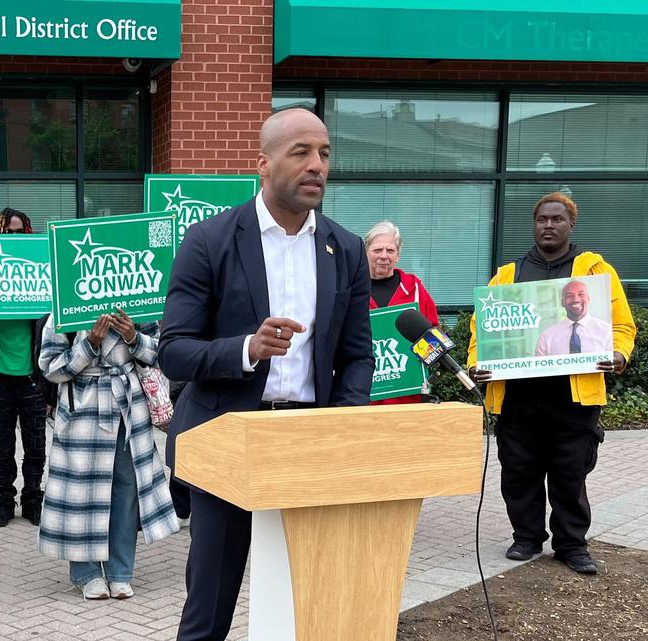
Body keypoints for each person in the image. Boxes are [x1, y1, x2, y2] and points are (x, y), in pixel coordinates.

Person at [158, 108, 374, 641]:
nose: (317, 165)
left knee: (310, 599)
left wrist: (341, 425)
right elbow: (174, 352)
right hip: (229, 438)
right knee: (209, 606)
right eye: (301, 152)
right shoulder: (210, 240)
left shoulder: (345, 248)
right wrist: (247, 349)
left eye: (324, 153)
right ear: (263, 163)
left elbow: (357, 355)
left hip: (309, 440)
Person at [467, 191, 636, 575]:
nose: (548, 225)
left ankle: (571, 545)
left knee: (570, 473)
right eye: (542, 219)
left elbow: (622, 325)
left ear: (570, 224)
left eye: (557, 219)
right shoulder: (507, 275)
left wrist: (620, 355)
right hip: (518, 398)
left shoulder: (595, 273)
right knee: (519, 471)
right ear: (534, 224)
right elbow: (483, 330)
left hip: (573, 398)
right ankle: (526, 537)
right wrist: (477, 362)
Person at [38, 309, 179, 601]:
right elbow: (50, 368)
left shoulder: (139, 304)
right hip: (83, 411)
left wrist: (132, 336)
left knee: (126, 491)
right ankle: (86, 573)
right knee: (81, 493)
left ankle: (120, 571)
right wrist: (89, 343)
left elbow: (163, 353)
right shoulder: (65, 309)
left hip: (128, 408)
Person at [0, 208, 48, 527]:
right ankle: (3, 499)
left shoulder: (40, 276)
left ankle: (32, 498)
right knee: (0, 448)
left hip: (33, 377)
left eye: (19, 232)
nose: (14, 238)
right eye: (7, 233)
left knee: (35, 447)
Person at [365, 219, 440, 405]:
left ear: (398, 255)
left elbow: (434, 333)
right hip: (364, 395)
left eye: (390, 250)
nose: (384, 256)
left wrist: (418, 362)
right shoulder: (352, 289)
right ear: (366, 252)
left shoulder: (414, 288)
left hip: (407, 397)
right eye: (377, 250)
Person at [535, 280, 613, 357]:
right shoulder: (546, 337)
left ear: (588, 299)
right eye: (569, 295)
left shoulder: (608, 331)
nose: (576, 299)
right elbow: (539, 369)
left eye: (581, 294)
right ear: (562, 302)